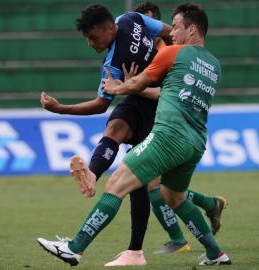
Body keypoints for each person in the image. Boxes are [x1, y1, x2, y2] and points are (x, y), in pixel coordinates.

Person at [38, 3, 227, 267]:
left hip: (167, 136)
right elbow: (169, 88)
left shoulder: (172, 55)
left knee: (117, 183)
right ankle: (216, 253)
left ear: (192, 29)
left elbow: (138, 83)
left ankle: (74, 248)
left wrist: (119, 86)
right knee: (173, 197)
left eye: (177, 27)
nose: (172, 33)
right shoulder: (213, 65)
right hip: (196, 141)